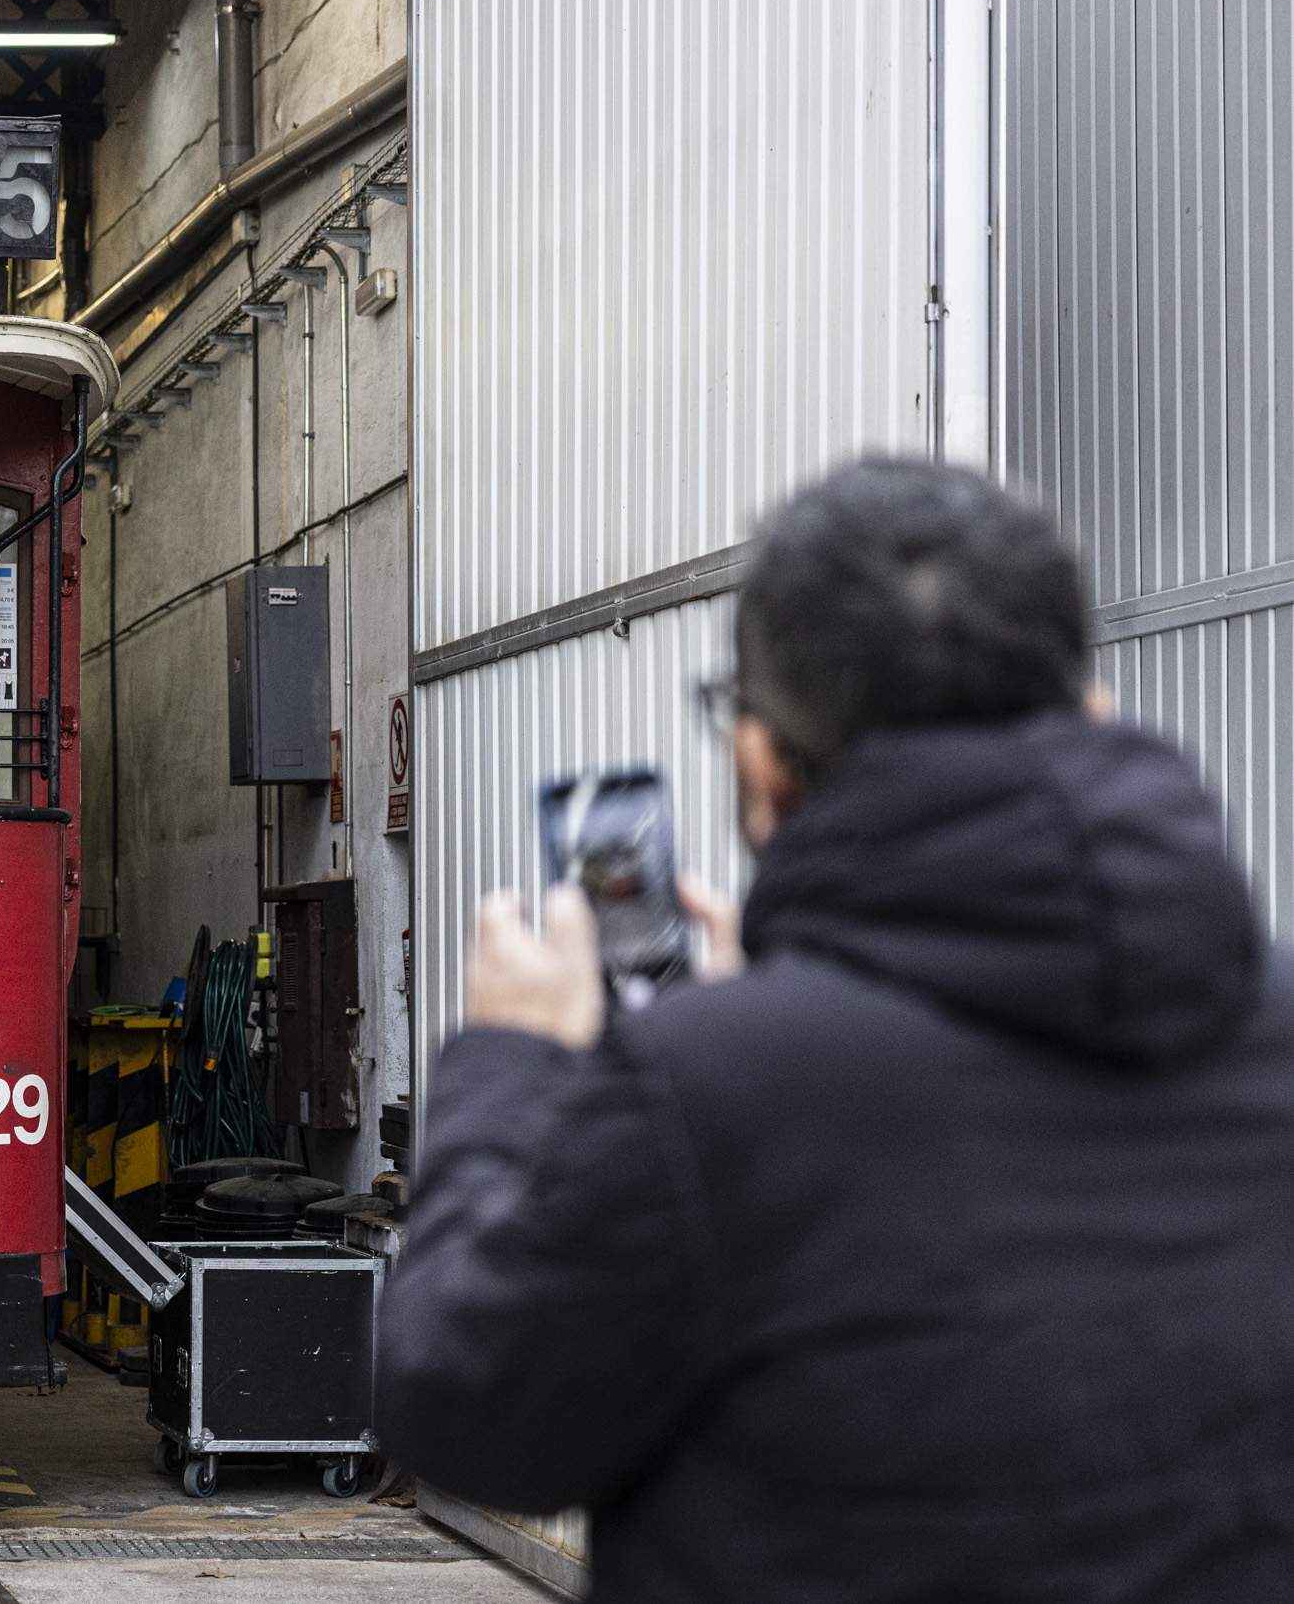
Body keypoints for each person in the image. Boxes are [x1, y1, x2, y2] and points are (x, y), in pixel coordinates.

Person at [378, 459, 1294, 1602]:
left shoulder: (704, 1094)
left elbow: (465, 1410)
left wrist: (513, 1066)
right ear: (1090, 704)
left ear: (760, 762)